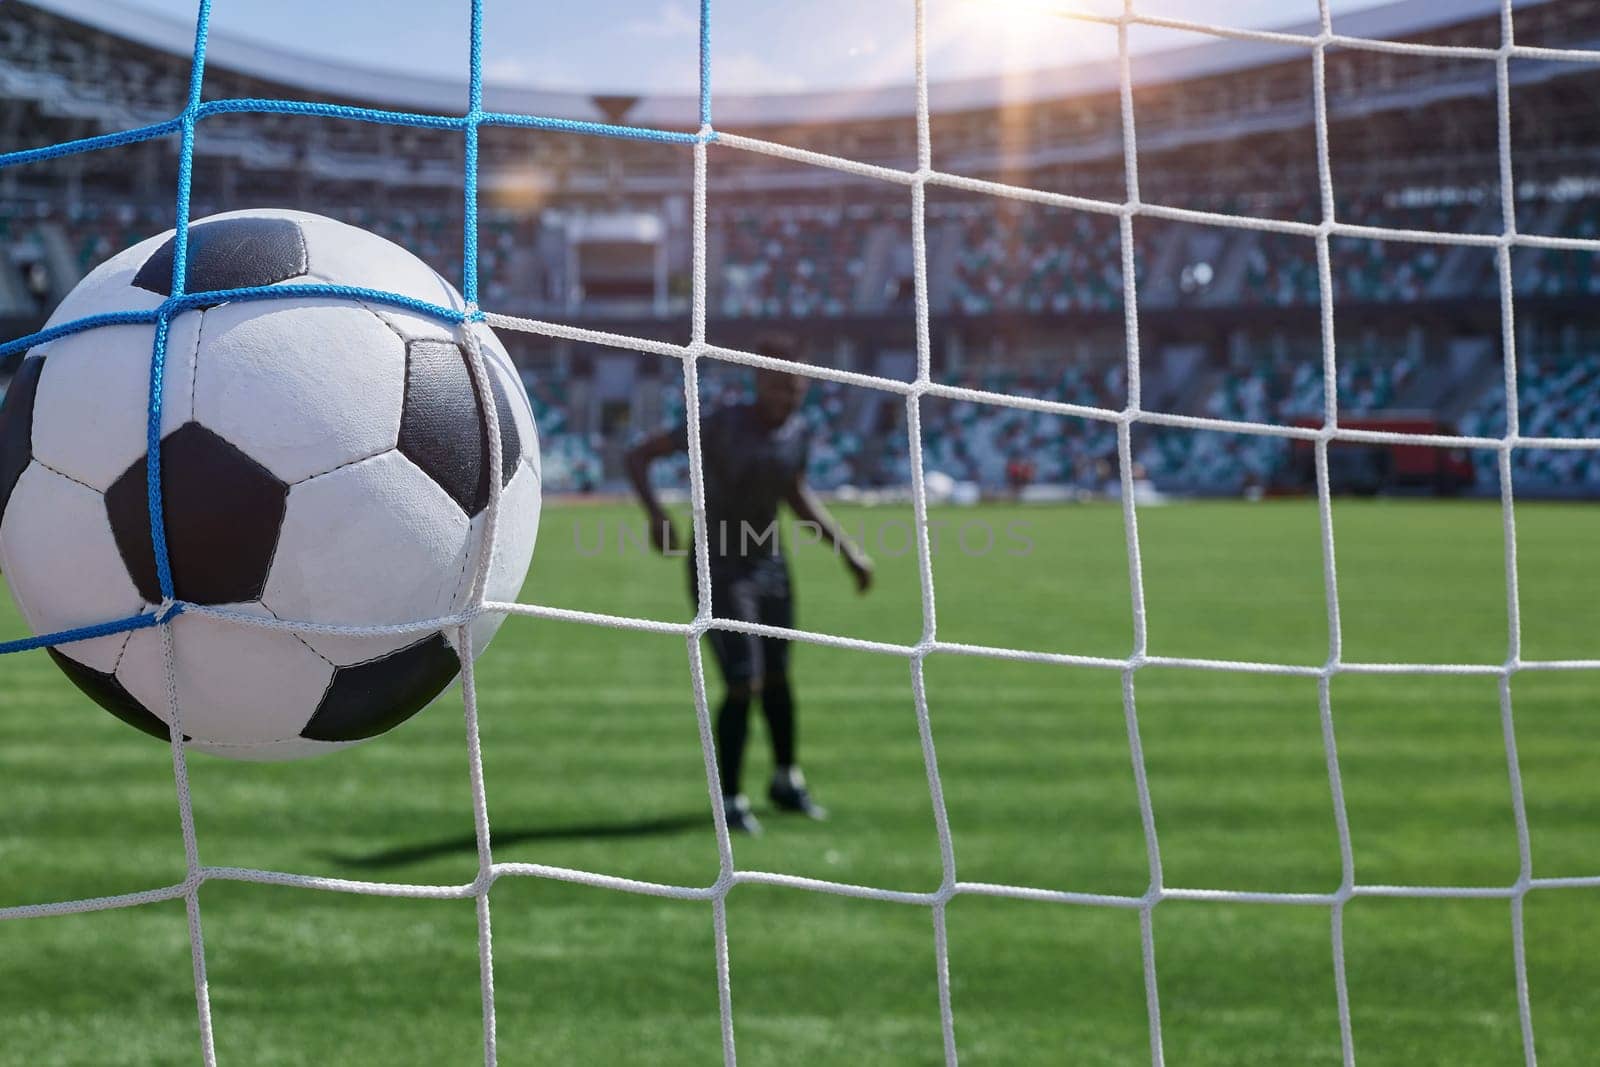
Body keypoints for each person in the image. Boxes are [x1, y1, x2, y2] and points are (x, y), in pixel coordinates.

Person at [625, 336, 873, 834]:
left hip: (770, 567)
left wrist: (847, 549)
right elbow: (639, 456)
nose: (792, 396)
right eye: (783, 387)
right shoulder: (721, 426)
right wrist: (656, 515)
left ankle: (786, 780)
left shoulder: (797, 432)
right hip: (719, 566)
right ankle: (731, 799)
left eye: (799, 388)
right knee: (744, 682)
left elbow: (796, 495)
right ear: (760, 381)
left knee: (779, 678)